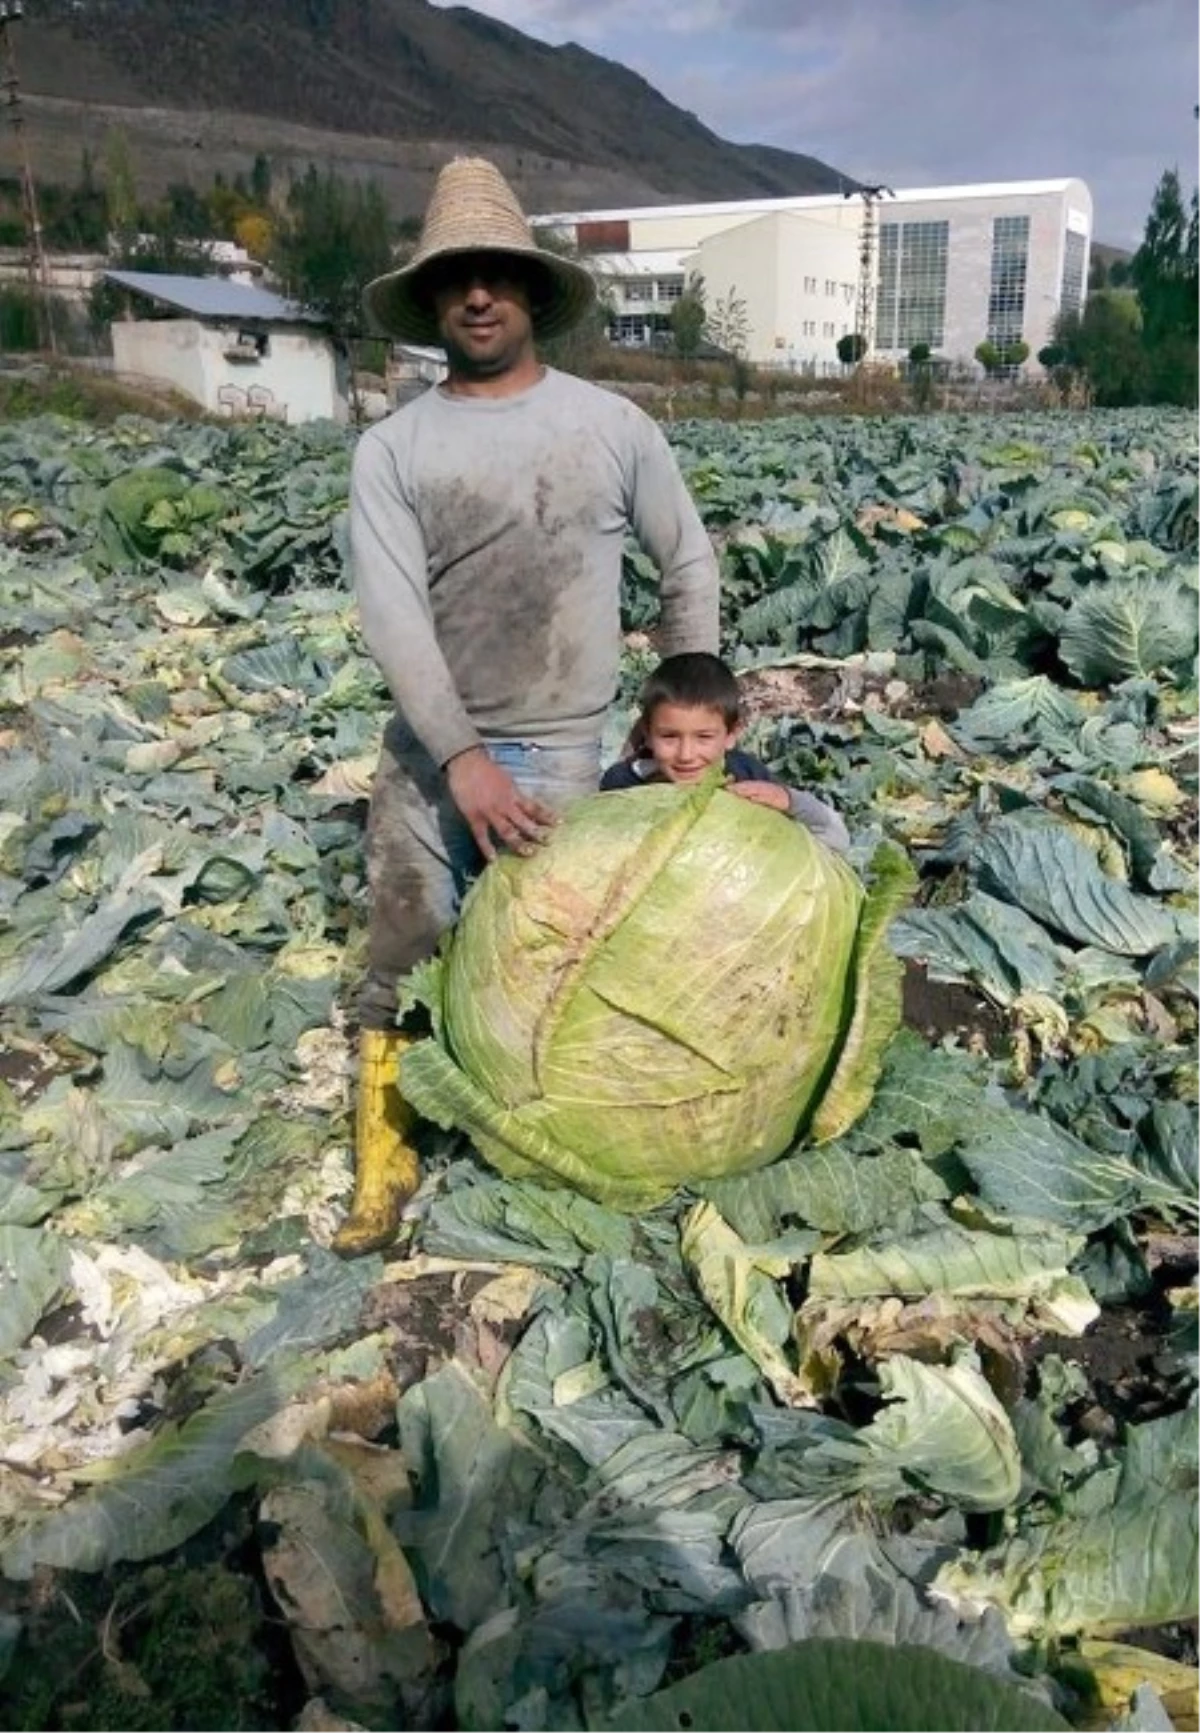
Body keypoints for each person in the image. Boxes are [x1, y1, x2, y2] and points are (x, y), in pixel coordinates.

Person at [337, 157, 720, 1255]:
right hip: (427, 756)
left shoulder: (611, 425)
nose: (477, 296)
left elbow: (686, 563)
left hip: (558, 757)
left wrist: (687, 724)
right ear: (431, 300)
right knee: (403, 952)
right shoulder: (393, 449)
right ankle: (382, 1161)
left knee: (551, 983)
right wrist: (458, 756)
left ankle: (533, 1172)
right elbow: (396, 617)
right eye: (456, 278)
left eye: (497, 275)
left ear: (533, 291)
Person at [600, 652, 850, 854]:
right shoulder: (624, 784)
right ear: (647, 733)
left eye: (704, 737)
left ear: (731, 734)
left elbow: (837, 839)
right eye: (670, 736)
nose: (686, 754)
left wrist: (789, 800)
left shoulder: (746, 776)